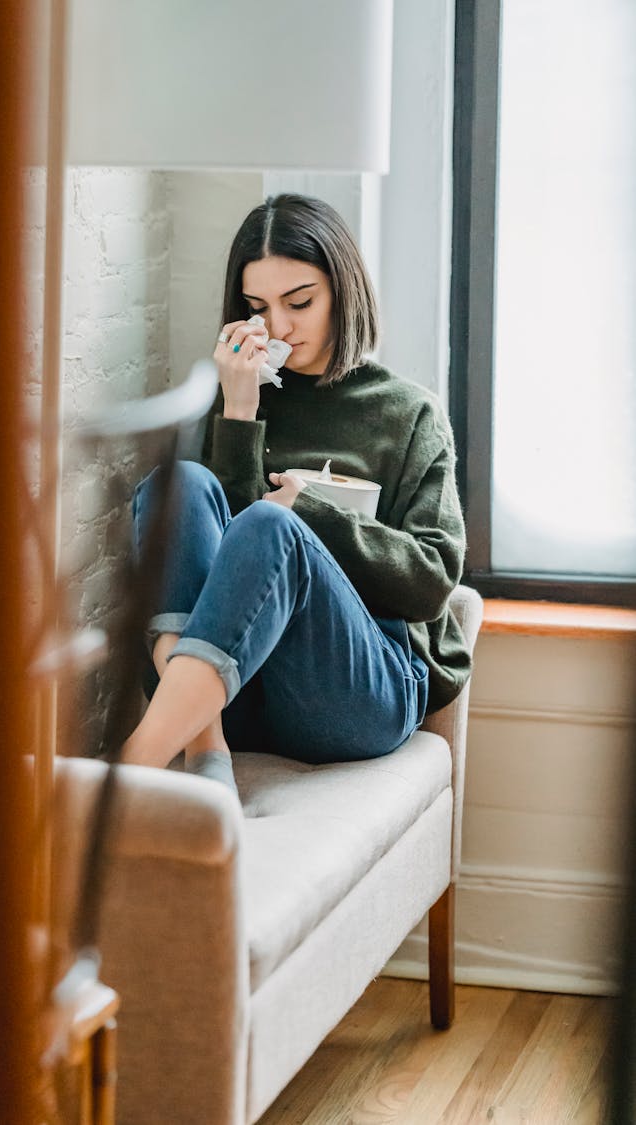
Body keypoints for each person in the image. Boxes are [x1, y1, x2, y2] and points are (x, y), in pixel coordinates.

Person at [122, 193, 471, 795]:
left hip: (358, 692)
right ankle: (206, 750)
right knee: (177, 485)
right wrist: (238, 410)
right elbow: (210, 569)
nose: (278, 327)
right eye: (258, 307)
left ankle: (130, 766)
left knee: (270, 526)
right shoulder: (239, 392)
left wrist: (308, 513)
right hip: (237, 694)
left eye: (300, 302)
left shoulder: (408, 414)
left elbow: (433, 580)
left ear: (343, 291)